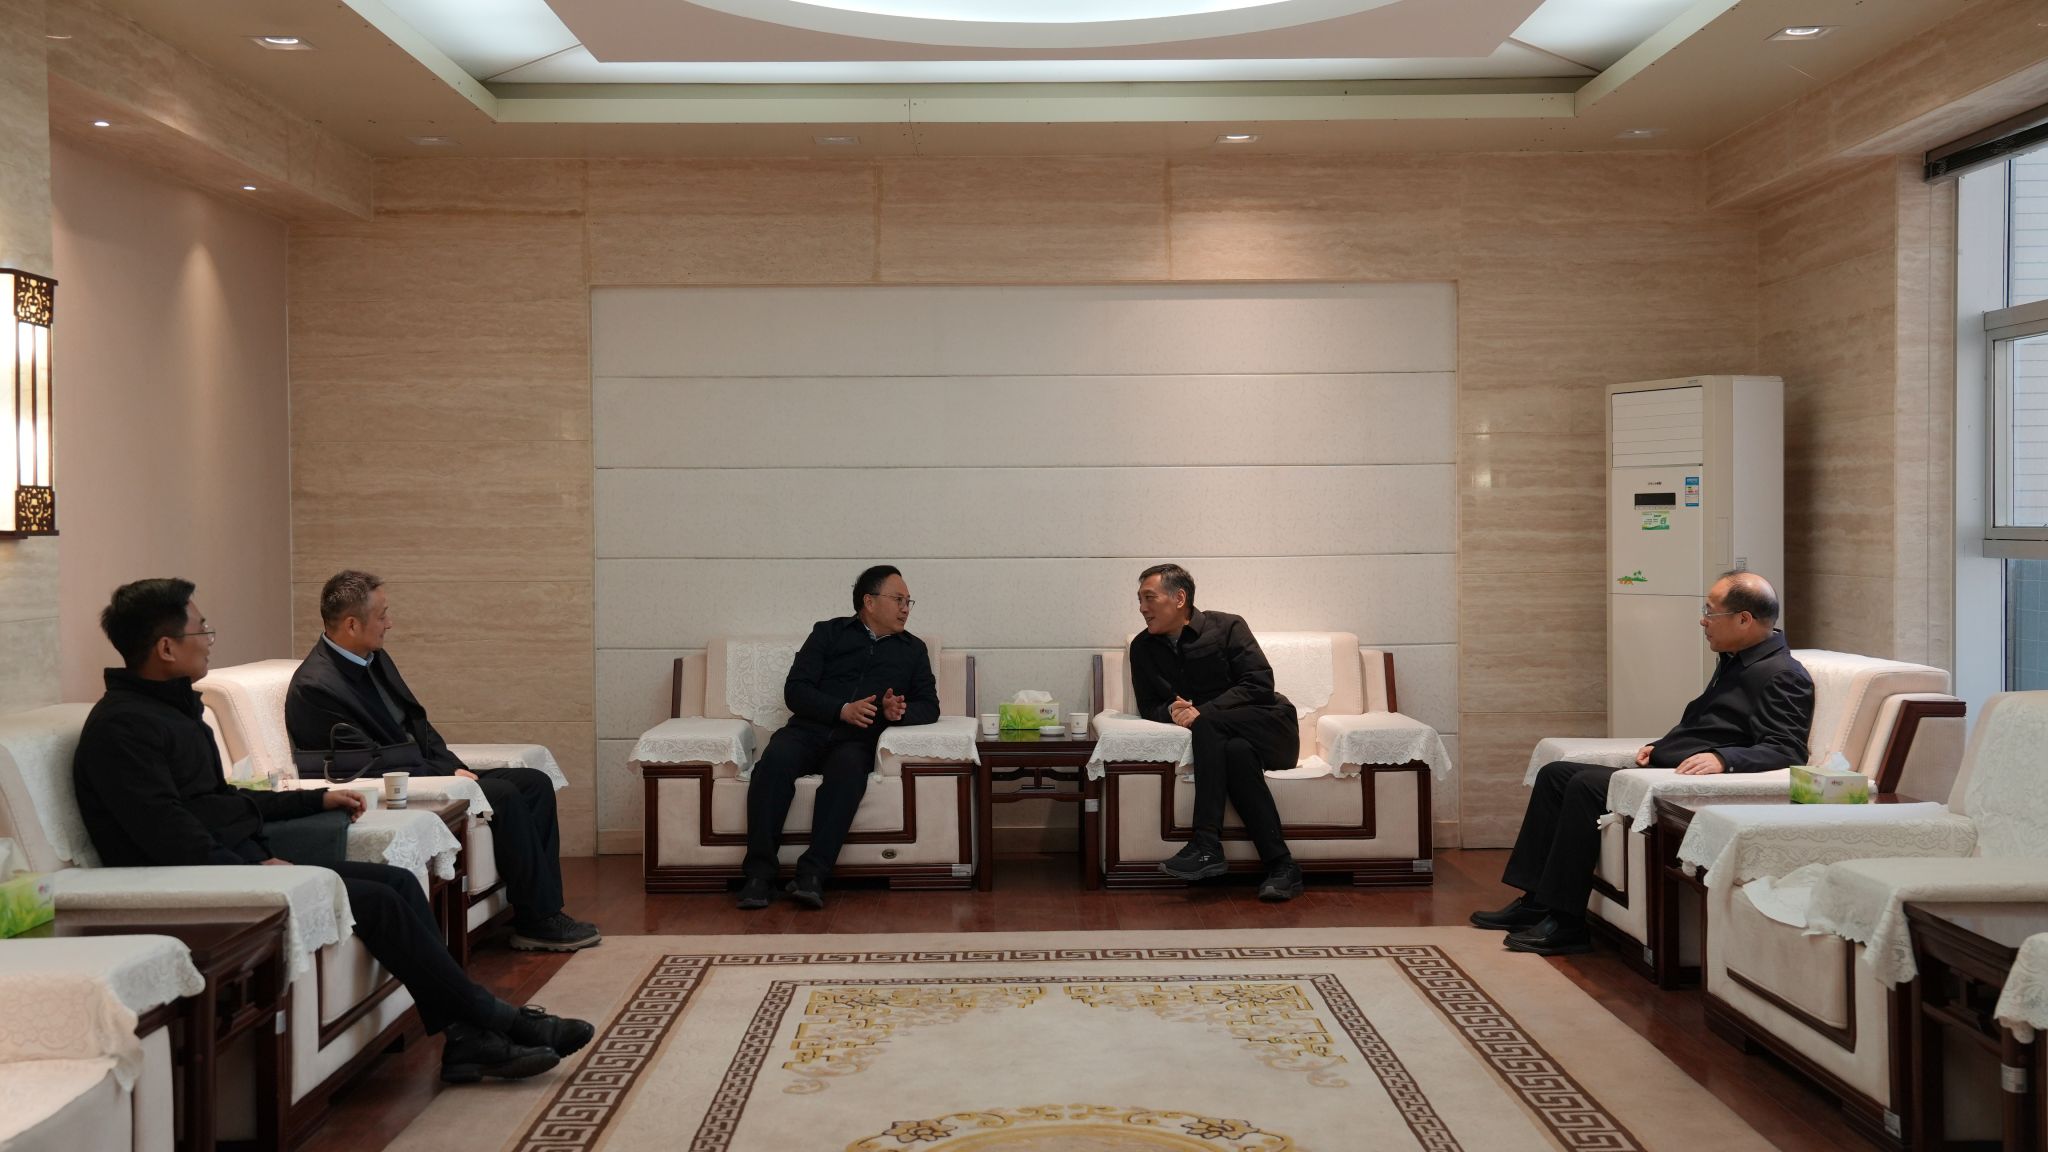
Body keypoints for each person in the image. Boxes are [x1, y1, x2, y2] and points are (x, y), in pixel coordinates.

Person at [73, 579, 593, 1083]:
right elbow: (168, 836)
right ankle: (498, 1022)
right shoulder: (124, 728)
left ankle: (468, 1037)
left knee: (396, 882)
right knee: (382, 899)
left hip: (238, 858)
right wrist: (253, 870)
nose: (210, 641)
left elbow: (220, 802)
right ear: (166, 647)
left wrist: (314, 798)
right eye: (201, 630)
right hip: (206, 882)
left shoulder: (175, 712)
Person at [1474, 570, 1814, 955]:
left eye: (1710, 612)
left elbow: (1787, 749)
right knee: (1556, 774)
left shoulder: (1782, 674)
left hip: (1688, 786)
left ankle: (1567, 922)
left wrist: (1724, 759)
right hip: (1666, 770)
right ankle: (1535, 901)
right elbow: (1707, 724)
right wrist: (1662, 746)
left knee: (1584, 786)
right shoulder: (1737, 660)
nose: (1703, 621)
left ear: (1744, 619)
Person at [284, 570, 599, 953]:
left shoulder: (372, 657)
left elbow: (417, 723)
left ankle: (542, 911)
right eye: (382, 615)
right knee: (503, 794)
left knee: (534, 782)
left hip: (428, 771)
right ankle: (539, 919)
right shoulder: (316, 686)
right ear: (352, 624)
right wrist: (445, 776)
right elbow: (367, 761)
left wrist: (451, 766)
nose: (389, 623)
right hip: (394, 785)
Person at [738, 564, 939, 911]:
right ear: (869, 602)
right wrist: (841, 709)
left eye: (908, 601)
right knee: (773, 764)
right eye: (898, 599)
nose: (906, 608)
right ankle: (759, 876)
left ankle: (812, 875)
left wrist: (897, 713)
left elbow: (930, 706)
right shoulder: (828, 633)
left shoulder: (913, 650)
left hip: (856, 741)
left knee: (847, 774)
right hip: (806, 730)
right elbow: (796, 690)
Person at [1128, 563, 1304, 902]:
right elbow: (1148, 705)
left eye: (1149, 598)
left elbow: (1259, 684)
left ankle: (1206, 843)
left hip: (1272, 729)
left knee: (1208, 724)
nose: (1142, 608)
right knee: (1235, 753)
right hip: (1227, 742)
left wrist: (1203, 713)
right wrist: (1172, 712)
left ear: (1179, 598)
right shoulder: (1143, 648)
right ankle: (1282, 867)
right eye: (1139, 600)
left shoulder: (1227, 627)